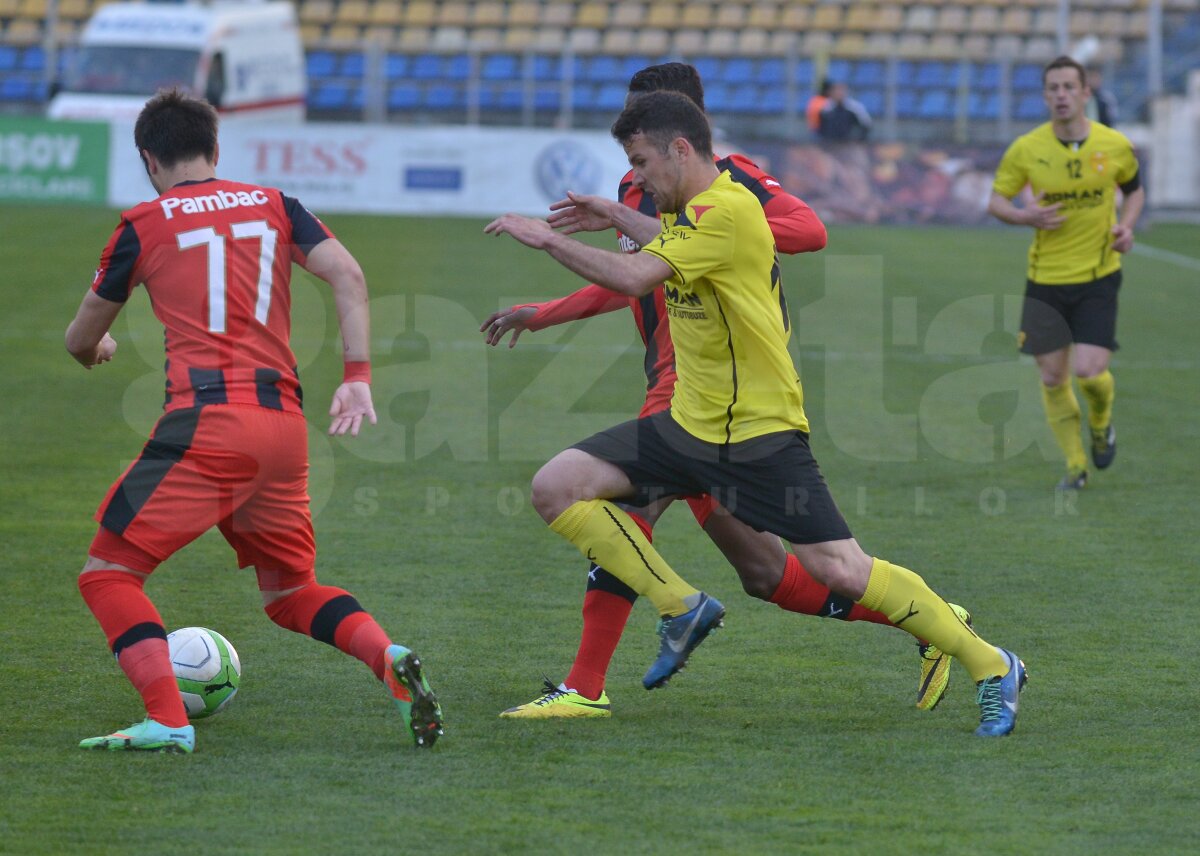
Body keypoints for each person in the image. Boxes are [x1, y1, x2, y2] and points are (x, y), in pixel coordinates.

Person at [485, 90, 1028, 737]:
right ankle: (679, 607)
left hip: (756, 436)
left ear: (679, 149)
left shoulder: (729, 209)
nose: (636, 179)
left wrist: (544, 239)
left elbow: (636, 278)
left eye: (641, 164)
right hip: (687, 426)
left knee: (840, 570)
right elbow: (669, 243)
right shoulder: (696, 210)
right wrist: (611, 213)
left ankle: (991, 663)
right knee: (558, 486)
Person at [67, 89, 443, 753]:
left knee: (109, 573)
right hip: (283, 427)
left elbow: (81, 337)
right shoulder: (274, 205)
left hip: (207, 423)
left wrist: (96, 348)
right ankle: (389, 658)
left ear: (149, 159)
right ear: (216, 149)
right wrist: (357, 378)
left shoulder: (143, 224)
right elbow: (348, 276)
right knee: (292, 592)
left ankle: (167, 719)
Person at [987, 56, 1143, 490]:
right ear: (1045, 96)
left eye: (1068, 87)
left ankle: (1101, 423)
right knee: (1053, 376)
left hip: (1098, 274)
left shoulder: (1114, 145)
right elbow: (996, 201)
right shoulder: (1027, 149)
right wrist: (1025, 216)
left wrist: (1126, 226)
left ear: (1084, 93)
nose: (1060, 95)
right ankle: (1076, 466)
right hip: (1046, 279)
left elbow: (1134, 189)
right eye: (1052, 88)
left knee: (1091, 373)